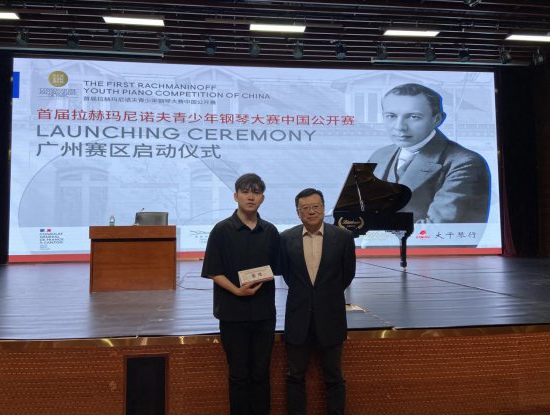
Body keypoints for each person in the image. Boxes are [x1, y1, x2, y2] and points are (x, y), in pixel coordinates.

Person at [201, 173, 283, 415]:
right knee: (238, 374)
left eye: (256, 192)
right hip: (232, 313)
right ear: (236, 196)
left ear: (262, 198)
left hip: (264, 313)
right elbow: (213, 270)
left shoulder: (270, 231)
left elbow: (277, 267)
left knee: (261, 373)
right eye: (245, 192)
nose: (251, 197)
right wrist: (237, 290)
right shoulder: (221, 230)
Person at [280, 189, 356, 415]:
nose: (311, 211)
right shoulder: (286, 238)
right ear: (298, 212)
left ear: (324, 208)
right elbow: (288, 275)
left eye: (316, 206)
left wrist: (324, 295)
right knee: (295, 376)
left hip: (331, 316)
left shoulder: (343, 237)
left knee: (334, 376)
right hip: (298, 317)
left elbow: (347, 275)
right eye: (305, 208)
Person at [368, 83, 490, 223]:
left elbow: (439, 229)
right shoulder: (379, 155)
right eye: (391, 116)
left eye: (414, 117)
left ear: (437, 119)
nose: (399, 127)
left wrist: (370, 230)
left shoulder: (465, 163)